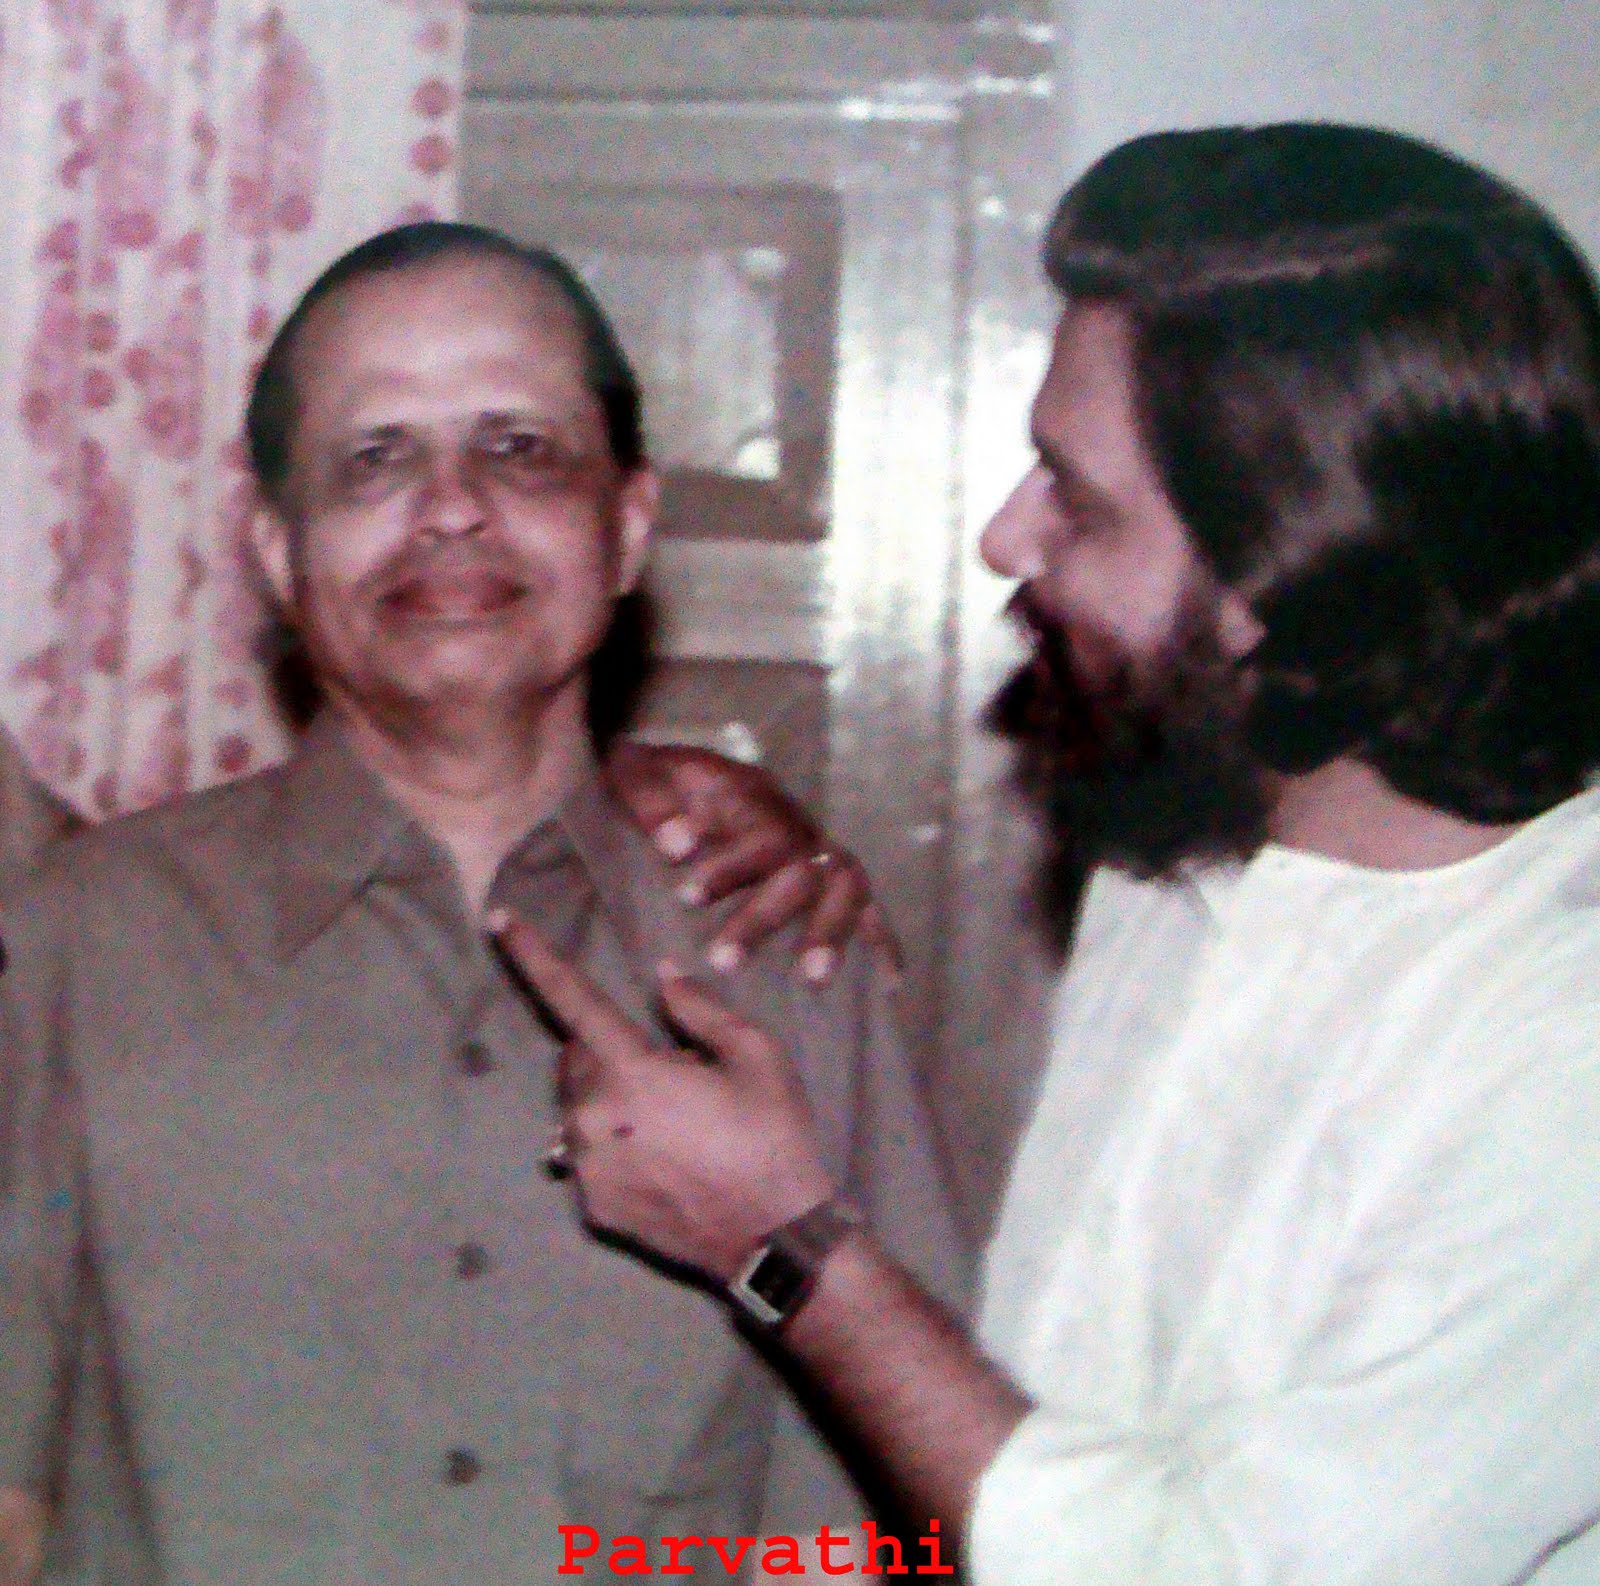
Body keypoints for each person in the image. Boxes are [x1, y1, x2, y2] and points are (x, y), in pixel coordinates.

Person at [495, 122, 1600, 1585]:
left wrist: (782, 1246)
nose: (1008, 540)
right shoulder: (1183, 850)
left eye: (1075, 498)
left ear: (1287, 575)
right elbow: (1047, 1404)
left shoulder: (1561, 1062)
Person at [0, 221, 958, 1583]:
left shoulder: (780, 953)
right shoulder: (82, 939)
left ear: (628, 528)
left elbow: (879, 1538)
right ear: (278, 550)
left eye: (520, 448)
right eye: (374, 457)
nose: (451, 506)